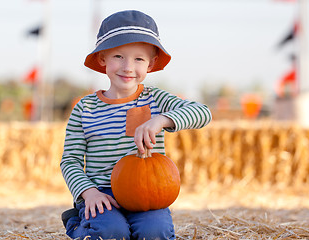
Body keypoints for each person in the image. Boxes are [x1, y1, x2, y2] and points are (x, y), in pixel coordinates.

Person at [60, 10, 212, 240]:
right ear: (103, 59)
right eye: (118, 56)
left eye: (139, 59)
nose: (128, 67)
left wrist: (161, 120)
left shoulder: (156, 99)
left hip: (148, 192)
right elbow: (70, 160)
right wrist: (88, 192)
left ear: (150, 65)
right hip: (102, 195)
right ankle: (77, 224)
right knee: (112, 233)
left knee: (155, 232)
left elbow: (203, 113)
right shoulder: (85, 108)